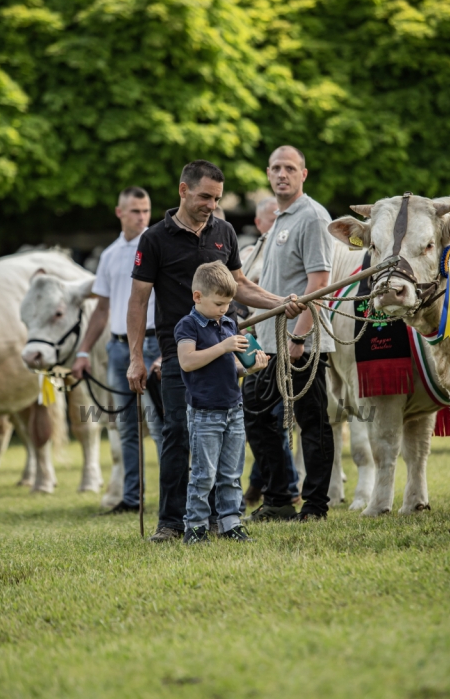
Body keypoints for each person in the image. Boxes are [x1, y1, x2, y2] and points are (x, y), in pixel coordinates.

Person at [126, 159, 303, 542]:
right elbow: (138, 301)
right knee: (178, 433)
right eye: (205, 196)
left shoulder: (223, 231)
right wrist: (137, 357)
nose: (211, 204)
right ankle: (172, 524)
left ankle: (219, 520)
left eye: (217, 197)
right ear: (183, 190)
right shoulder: (154, 239)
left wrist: (282, 301)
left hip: (226, 351)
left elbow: (239, 286)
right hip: (180, 353)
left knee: (223, 440)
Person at [243, 146, 335, 522]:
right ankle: (279, 499)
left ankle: (315, 506)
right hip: (267, 343)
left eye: (290, 168)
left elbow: (320, 283)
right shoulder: (279, 218)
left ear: (303, 174)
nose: (282, 174)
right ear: (268, 173)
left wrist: (299, 338)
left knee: (312, 424)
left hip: (301, 344)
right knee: (258, 416)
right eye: (277, 168)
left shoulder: (312, 217)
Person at [72, 186, 163, 514]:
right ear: (119, 213)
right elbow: (101, 309)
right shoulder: (109, 255)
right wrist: (83, 352)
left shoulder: (158, 244)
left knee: (161, 423)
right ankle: (132, 497)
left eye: (145, 210)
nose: (142, 217)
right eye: (135, 211)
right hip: (119, 347)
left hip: (154, 343)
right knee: (126, 425)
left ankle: (171, 498)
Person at [175, 261, 268, 543]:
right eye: (218, 303)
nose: (224, 309)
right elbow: (187, 362)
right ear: (197, 297)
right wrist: (224, 346)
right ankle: (195, 526)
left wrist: (250, 368)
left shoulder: (228, 323)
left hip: (233, 408)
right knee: (204, 475)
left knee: (231, 473)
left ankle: (230, 523)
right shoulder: (188, 325)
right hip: (205, 412)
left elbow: (231, 368)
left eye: (228, 303)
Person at [239, 196, 301, 507]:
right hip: (256, 341)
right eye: (272, 216)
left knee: (276, 418)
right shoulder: (249, 254)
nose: (278, 220)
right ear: (260, 222)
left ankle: (284, 490)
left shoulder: (284, 252)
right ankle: (269, 487)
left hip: (285, 341)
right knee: (259, 417)